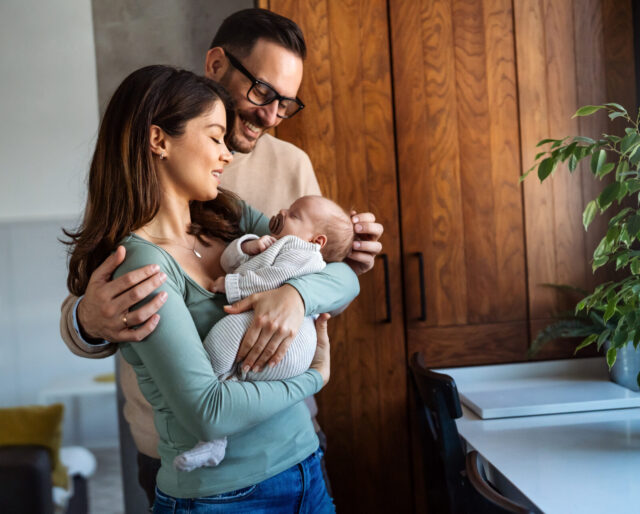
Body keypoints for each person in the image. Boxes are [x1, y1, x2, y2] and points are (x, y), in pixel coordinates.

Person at [59, 8, 383, 505]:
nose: (272, 116)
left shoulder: (230, 206)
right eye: (262, 93)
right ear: (216, 65)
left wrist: (296, 294)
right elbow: (91, 305)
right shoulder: (139, 242)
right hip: (210, 475)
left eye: (286, 104)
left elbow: (333, 272)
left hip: (299, 454)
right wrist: (88, 318)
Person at [174, 195, 354, 472]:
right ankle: (216, 438)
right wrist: (249, 246)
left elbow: (272, 279)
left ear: (317, 241)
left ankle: (214, 431)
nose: (282, 211)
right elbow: (229, 259)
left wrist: (231, 285)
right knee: (233, 372)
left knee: (222, 339)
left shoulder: (303, 252)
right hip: (279, 339)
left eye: (294, 215)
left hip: (291, 342)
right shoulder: (276, 242)